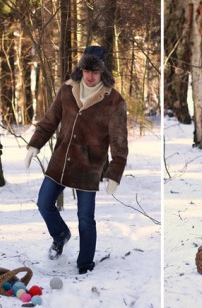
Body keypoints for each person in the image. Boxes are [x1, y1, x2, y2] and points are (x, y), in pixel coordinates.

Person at [25, 46, 128, 274]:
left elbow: (119, 142)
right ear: (81, 68)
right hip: (61, 160)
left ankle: (85, 264)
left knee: (85, 219)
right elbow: (50, 120)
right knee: (44, 203)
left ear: (103, 72)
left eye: (95, 72)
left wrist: (114, 172)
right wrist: (34, 144)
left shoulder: (114, 101)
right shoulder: (67, 90)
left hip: (89, 166)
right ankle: (60, 235)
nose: (90, 76)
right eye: (86, 70)